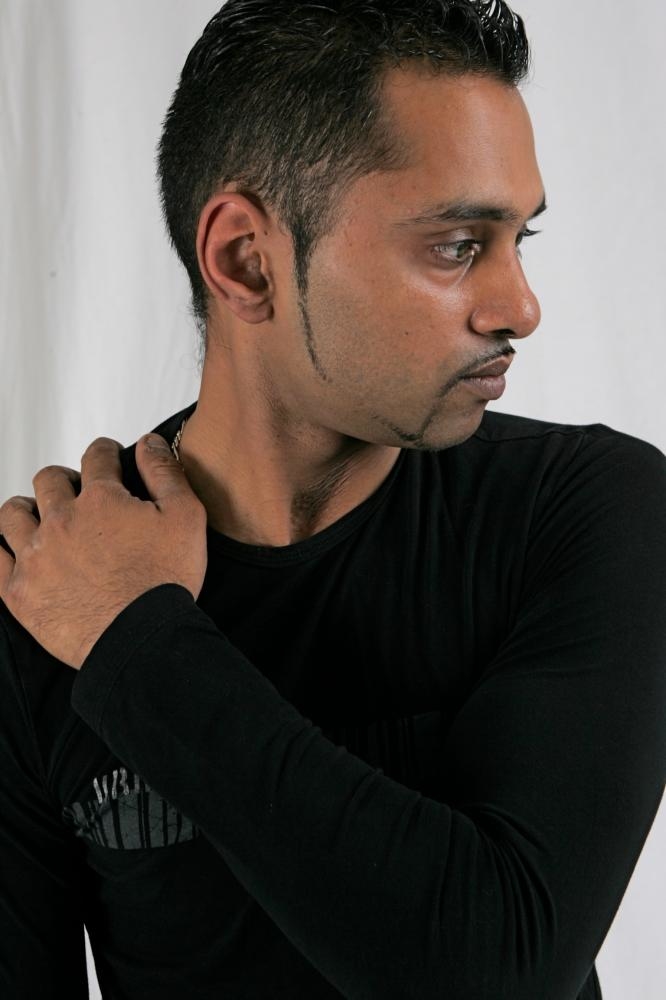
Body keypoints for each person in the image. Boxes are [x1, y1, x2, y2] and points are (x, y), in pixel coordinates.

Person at [0, 1, 664, 997]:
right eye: (458, 244)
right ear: (246, 260)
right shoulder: (44, 587)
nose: (521, 306)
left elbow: (503, 974)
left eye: (519, 238)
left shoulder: (582, 510)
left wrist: (138, 642)